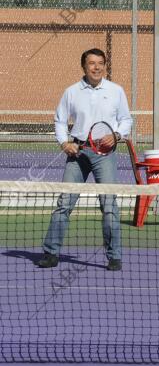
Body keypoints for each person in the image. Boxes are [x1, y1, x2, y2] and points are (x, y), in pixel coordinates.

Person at [37, 48, 132, 271]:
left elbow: (126, 120)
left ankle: (114, 256)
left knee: (109, 205)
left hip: (104, 154)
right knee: (64, 204)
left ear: (105, 66)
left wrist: (116, 135)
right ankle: (51, 253)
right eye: (92, 63)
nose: (97, 67)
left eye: (101, 63)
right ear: (84, 66)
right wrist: (64, 143)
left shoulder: (116, 91)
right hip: (77, 152)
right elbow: (60, 121)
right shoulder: (71, 92)